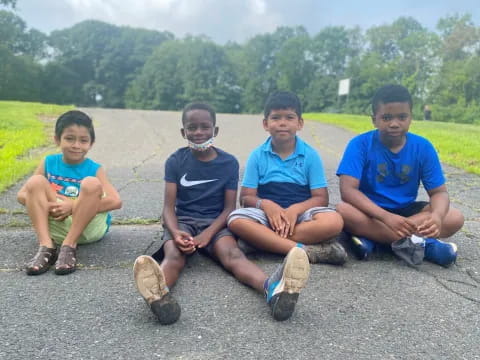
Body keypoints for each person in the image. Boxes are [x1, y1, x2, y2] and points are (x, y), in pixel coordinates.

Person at [133, 102, 310, 325]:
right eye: (192, 127)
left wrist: (207, 234)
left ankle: (273, 291)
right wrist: (176, 232)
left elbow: (229, 208)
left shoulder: (228, 163)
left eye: (205, 127)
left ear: (215, 130)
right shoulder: (175, 161)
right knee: (174, 256)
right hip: (182, 223)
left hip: (217, 224)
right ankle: (159, 296)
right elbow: (168, 208)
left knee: (233, 256)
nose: (198, 132)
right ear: (183, 132)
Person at [336, 84, 464, 267]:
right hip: (371, 211)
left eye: (402, 117)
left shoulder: (423, 147)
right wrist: (386, 217)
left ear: (411, 118)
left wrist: (436, 216)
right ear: (374, 120)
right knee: (343, 211)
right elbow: (348, 190)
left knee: (454, 217)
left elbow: (439, 193)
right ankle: (424, 244)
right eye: (386, 117)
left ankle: (375, 241)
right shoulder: (360, 144)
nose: (394, 123)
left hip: (406, 211)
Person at [227, 91, 346, 265]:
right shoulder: (258, 155)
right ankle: (305, 251)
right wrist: (266, 205)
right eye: (276, 118)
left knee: (334, 222)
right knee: (236, 220)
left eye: (289, 117)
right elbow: (246, 197)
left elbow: (321, 198)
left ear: (300, 123)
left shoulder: (310, 155)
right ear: (265, 124)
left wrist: (296, 210)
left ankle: (262, 241)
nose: (282, 123)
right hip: (266, 216)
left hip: (300, 215)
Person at [17, 110, 122, 275]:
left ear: (91, 144)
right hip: (56, 224)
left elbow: (115, 201)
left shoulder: (94, 168)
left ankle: (69, 246)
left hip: (86, 228)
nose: (76, 145)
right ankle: (46, 246)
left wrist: (72, 206)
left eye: (83, 140)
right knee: (35, 182)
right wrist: (49, 205)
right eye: (69, 138)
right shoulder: (49, 162)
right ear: (57, 140)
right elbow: (23, 195)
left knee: (91, 183)